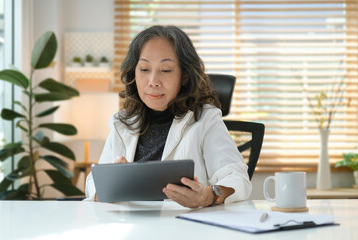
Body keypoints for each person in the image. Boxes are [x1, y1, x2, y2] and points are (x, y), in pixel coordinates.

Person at [85, 25, 252, 208]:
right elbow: (93, 182)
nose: (153, 82)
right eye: (144, 69)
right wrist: (108, 184)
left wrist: (208, 196)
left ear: (185, 76)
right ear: (134, 72)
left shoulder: (205, 120)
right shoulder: (122, 122)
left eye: (166, 70)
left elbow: (237, 178)